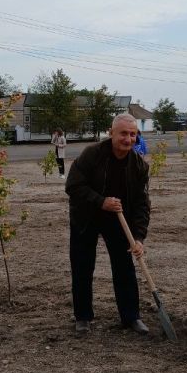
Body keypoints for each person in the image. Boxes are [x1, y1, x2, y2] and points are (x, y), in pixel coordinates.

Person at [65, 113, 150, 335]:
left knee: (124, 267)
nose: (128, 139)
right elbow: (73, 186)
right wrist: (100, 201)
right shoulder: (92, 154)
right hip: (85, 217)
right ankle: (83, 317)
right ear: (111, 133)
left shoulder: (139, 166)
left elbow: (141, 204)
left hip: (118, 220)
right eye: (123, 134)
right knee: (82, 266)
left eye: (133, 134)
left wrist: (139, 237)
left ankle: (131, 317)